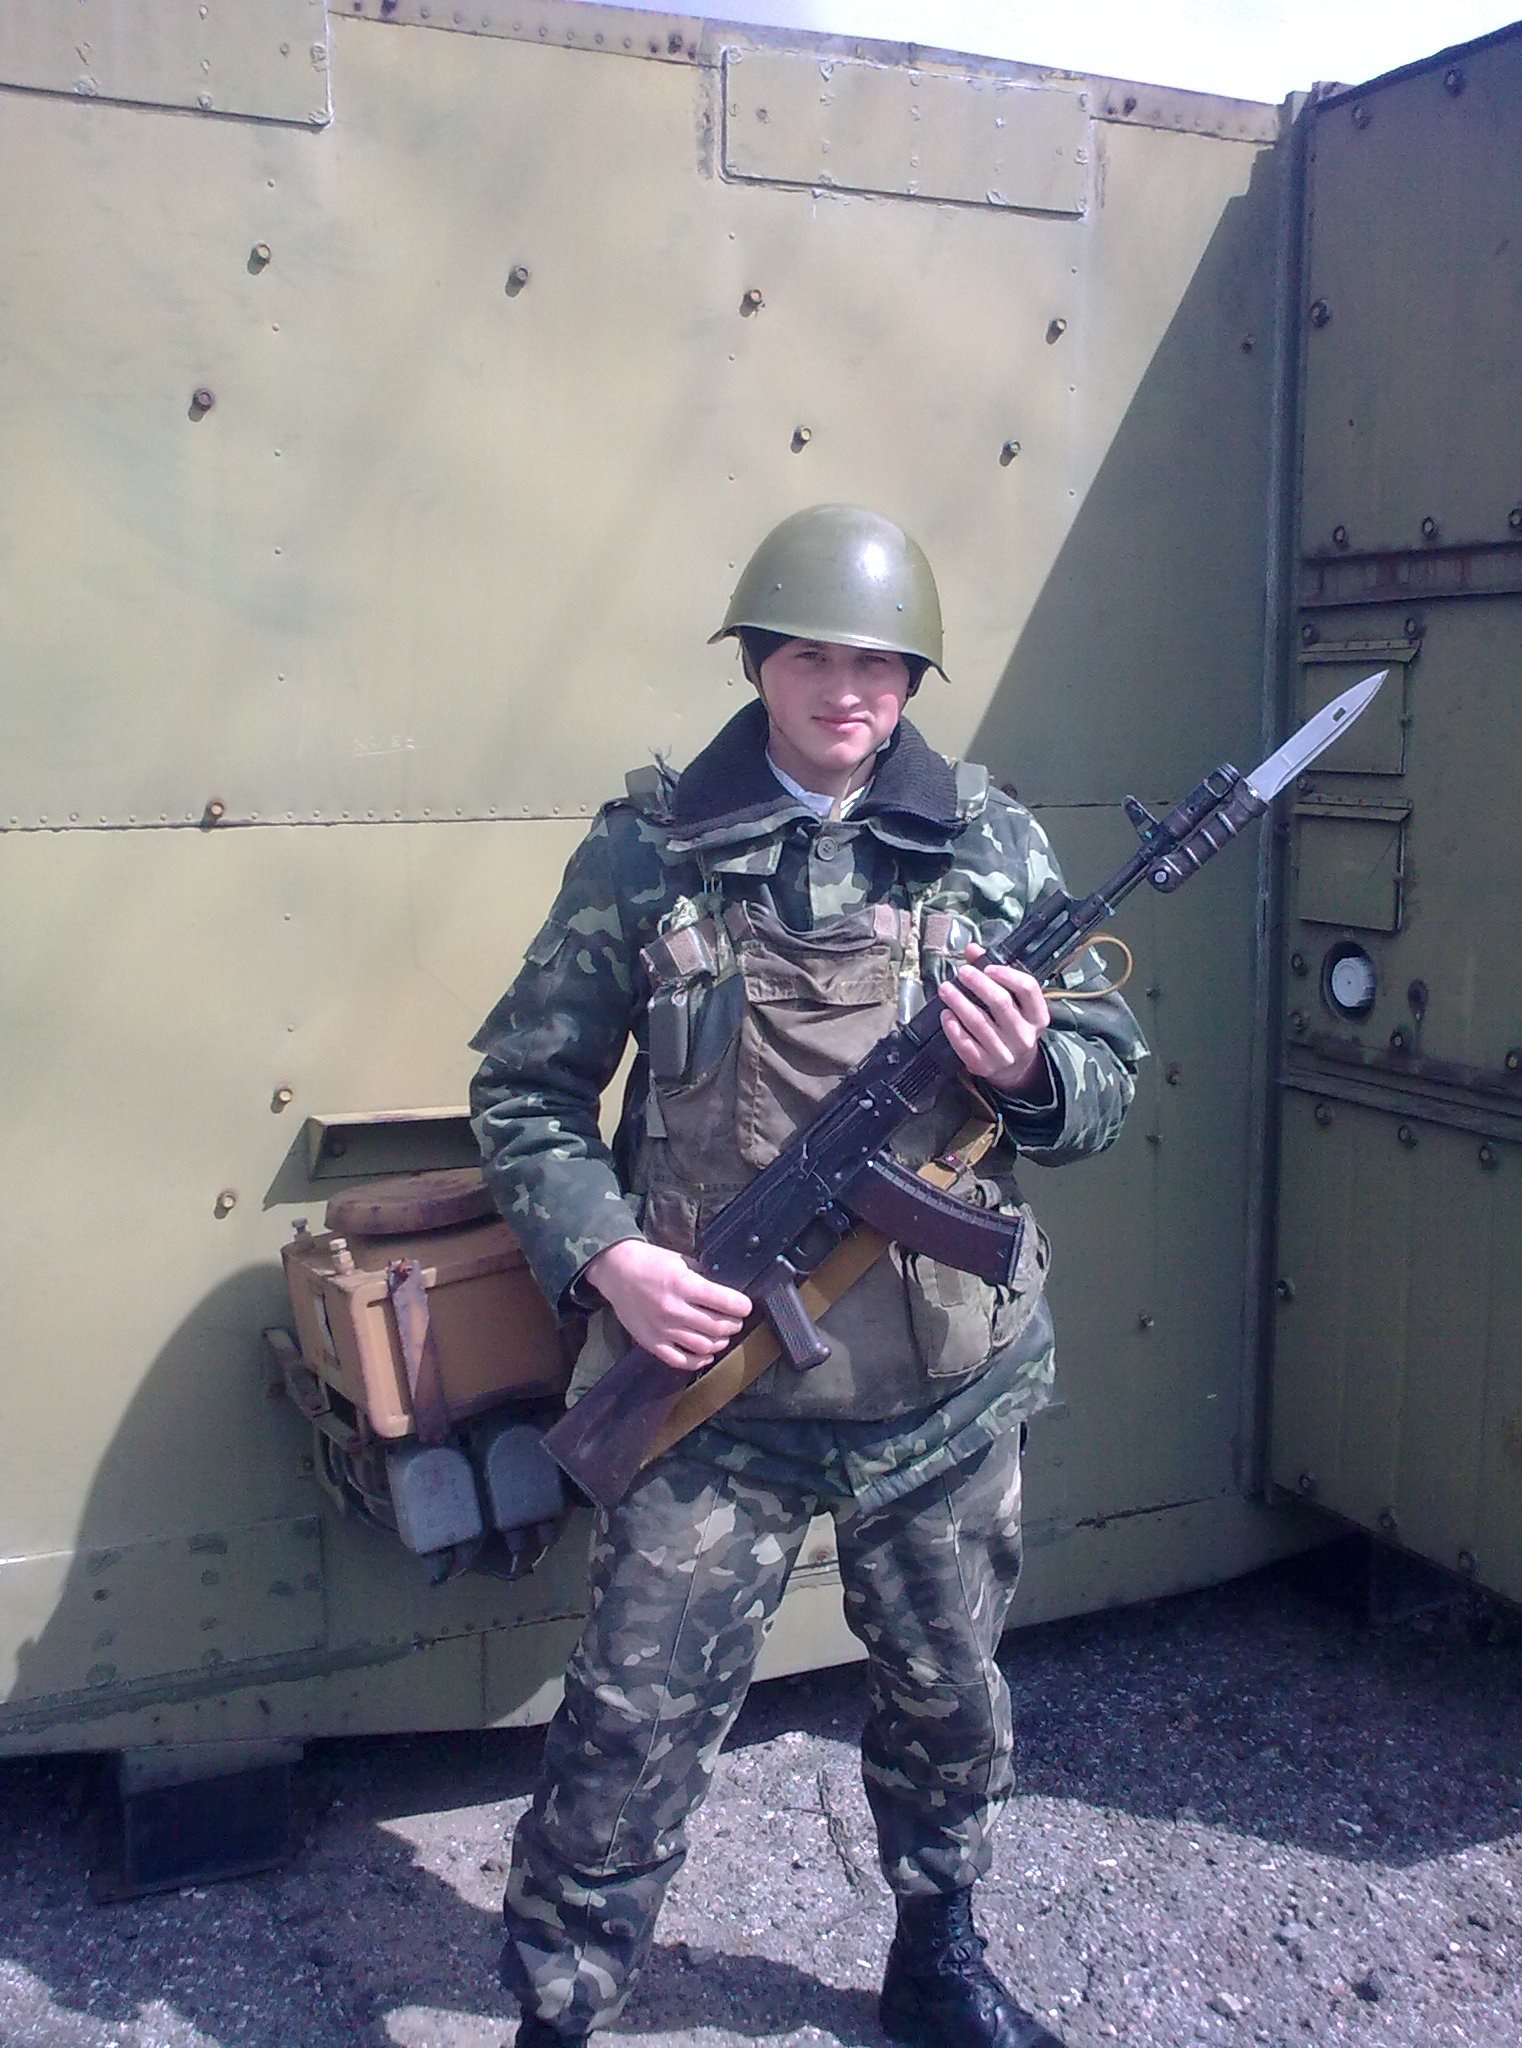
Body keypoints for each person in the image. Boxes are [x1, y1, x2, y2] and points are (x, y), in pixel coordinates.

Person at [470, 504, 1146, 2048]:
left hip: (943, 1401)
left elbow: (1108, 1083)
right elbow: (522, 1088)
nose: (848, 691)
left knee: (950, 1702)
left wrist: (1035, 1072)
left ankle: (938, 1959)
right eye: (813, 659)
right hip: (712, 1397)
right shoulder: (650, 853)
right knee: (627, 1732)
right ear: (758, 663)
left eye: (880, 665)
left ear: (915, 679)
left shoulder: (987, 845)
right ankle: (561, 2009)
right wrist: (613, 1262)